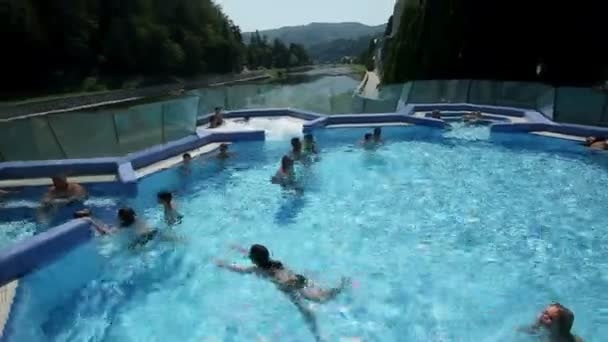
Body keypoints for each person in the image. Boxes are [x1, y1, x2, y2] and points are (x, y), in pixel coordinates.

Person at [215, 244, 349, 341]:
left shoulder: (258, 270)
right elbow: (252, 256)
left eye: (251, 257)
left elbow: (241, 270)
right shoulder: (274, 262)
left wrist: (224, 265)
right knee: (319, 295)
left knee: (311, 306)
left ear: (254, 260)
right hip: (297, 278)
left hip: (289, 286)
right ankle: (339, 288)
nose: (249, 258)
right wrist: (238, 248)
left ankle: (319, 338)